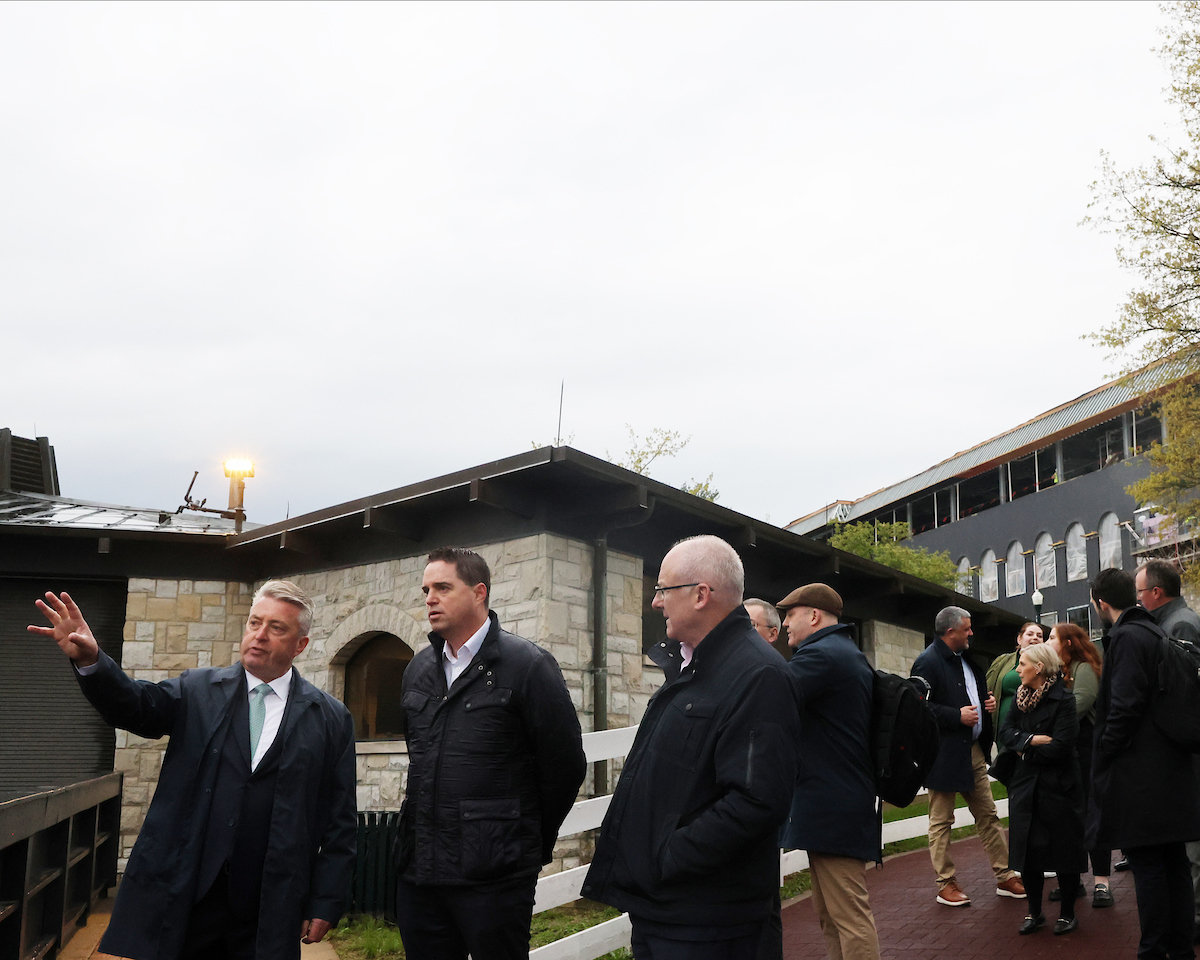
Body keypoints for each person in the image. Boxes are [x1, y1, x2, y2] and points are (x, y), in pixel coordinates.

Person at [28, 581, 357, 960]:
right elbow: (137, 705)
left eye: (276, 628)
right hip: (189, 892)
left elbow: (340, 821)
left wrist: (326, 901)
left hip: (271, 903)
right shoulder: (198, 690)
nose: (259, 635)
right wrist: (92, 661)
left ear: (300, 644)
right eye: (254, 623)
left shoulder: (331, 718)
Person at [582, 535, 800, 960]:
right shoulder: (691, 665)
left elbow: (757, 801)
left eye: (663, 589)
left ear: (701, 595)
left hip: (708, 924)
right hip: (666, 911)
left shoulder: (759, 675)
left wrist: (664, 856)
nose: (655, 602)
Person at [394, 547, 587, 960]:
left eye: (443, 587)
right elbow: (420, 755)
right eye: (426, 588)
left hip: (496, 877)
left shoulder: (528, 666)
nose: (429, 597)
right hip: (421, 873)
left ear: (479, 592)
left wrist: (521, 839)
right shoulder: (418, 669)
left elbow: (565, 766)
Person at [1089, 567, 1200, 960]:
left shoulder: (1127, 637)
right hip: (1168, 772)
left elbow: (1124, 706)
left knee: (1151, 868)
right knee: (1173, 867)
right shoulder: (1153, 630)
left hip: (1142, 777)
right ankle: (1181, 950)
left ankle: (1153, 951)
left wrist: (1103, 751)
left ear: (1101, 603)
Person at [778, 583, 880, 960]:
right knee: (831, 916)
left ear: (814, 616)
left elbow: (768, 694)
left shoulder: (822, 655)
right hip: (836, 801)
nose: (785, 624)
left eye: (790, 615)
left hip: (832, 804)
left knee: (849, 917)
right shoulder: (842, 652)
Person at [911, 606, 1025, 906]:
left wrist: (985, 704)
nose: (972, 633)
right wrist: (955, 715)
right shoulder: (927, 663)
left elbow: (971, 694)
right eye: (967, 628)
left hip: (972, 752)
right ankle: (945, 884)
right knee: (941, 821)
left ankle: (1006, 875)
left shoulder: (968, 661)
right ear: (950, 632)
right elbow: (918, 709)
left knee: (987, 815)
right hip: (943, 754)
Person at [998, 641, 1087, 936]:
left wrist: (1024, 747)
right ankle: (1034, 912)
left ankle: (1067, 913)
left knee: (1064, 850)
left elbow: (1062, 746)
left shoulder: (1064, 700)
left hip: (1059, 787)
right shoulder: (1019, 698)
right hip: (1026, 787)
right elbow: (1005, 733)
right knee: (1028, 853)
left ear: (1038, 668)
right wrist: (1033, 740)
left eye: (1022, 664)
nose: (1018, 669)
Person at [1136, 558, 1200, 936]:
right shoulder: (1179, 622)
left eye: (1140, 593)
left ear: (1156, 593)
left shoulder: (1179, 626)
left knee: (1192, 849)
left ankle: (1193, 922)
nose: (1138, 600)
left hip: (1187, 754)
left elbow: (1183, 698)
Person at [1046, 622, 1112, 907]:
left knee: (1091, 814)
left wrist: (1047, 716)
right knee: (1067, 818)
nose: (1048, 641)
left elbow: (1080, 704)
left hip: (1085, 750)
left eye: (1052, 637)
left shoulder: (1084, 668)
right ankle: (1072, 881)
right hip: (1066, 749)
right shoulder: (1056, 671)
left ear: (1068, 643)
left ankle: (1101, 883)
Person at [743, 597, 785, 960]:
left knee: (764, 909)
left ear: (772, 634)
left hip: (755, 817)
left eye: (750, 625)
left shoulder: (771, 677)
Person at [984, 621, 1044, 736]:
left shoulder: (1048, 664)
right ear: (1019, 639)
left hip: (1033, 727)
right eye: (1030, 634)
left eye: (1039, 636)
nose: (1035, 638)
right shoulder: (1003, 661)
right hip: (1003, 726)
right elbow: (987, 686)